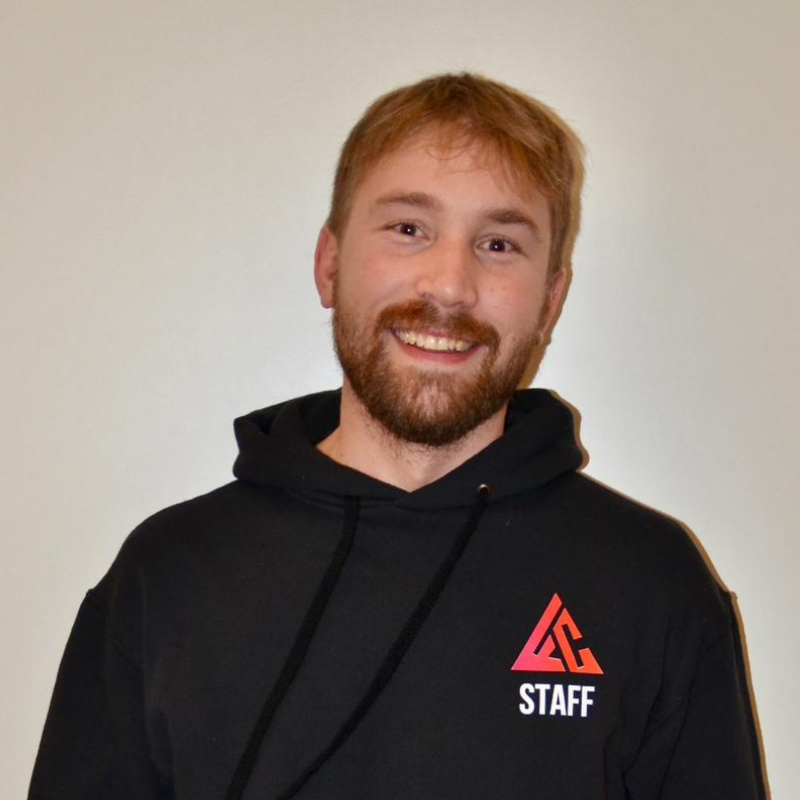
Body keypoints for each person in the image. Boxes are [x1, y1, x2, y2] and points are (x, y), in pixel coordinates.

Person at [29, 73, 766, 800]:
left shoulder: (652, 583)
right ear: (330, 263)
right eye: (408, 228)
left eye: (500, 243)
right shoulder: (168, 576)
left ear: (551, 300)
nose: (449, 286)